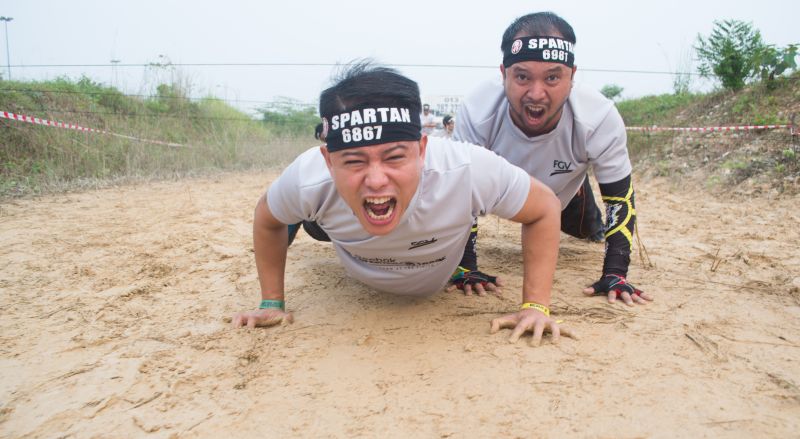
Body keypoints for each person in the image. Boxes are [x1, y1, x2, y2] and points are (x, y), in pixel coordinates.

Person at [232, 62, 569, 346]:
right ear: (328, 160)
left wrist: (535, 306)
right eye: (353, 161)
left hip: (437, 266)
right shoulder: (307, 177)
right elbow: (267, 218)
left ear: (423, 150)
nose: (376, 179)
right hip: (343, 234)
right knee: (312, 210)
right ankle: (315, 221)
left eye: (394, 158)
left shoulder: (466, 169)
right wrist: (271, 302)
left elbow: (544, 208)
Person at [454, 12, 653, 306]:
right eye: (522, 76)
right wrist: (466, 266)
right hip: (497, 192)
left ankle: (579, 186)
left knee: (588, 231)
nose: (536, 93)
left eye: (552, 77)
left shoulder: (598, 116)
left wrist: (616, 272)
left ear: (572, 76)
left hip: (562, 194)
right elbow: (458, 193)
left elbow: (620, 198)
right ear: (503, 73)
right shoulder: (477, 110)